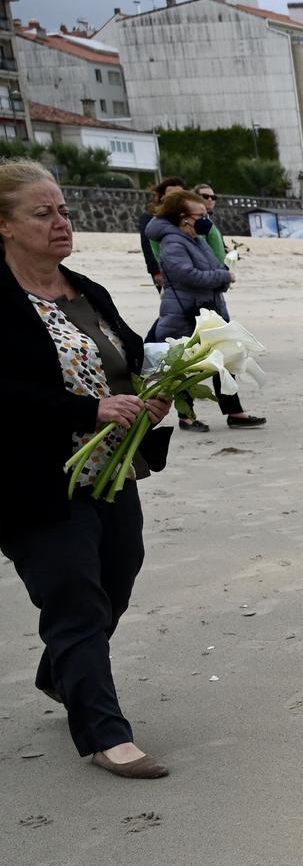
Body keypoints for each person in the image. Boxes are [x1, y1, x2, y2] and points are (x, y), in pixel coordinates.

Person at [1, 161, 175, 778]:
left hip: (109, 470)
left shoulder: (84, 290)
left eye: (64, 211)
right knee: (74, 594)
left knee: (117, 576)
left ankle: (60, 673)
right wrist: (87, 408)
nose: (60, 223)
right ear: (5, 226)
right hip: (32, 481)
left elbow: (129, 355)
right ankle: (105, 735)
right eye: (42, 213)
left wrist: (153, 393)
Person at [145, 187, 265, 429]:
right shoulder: (173, 242)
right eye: (200, 216)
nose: (205, 221)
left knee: (223, 358)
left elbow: (211, 267)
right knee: (182, 366)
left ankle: (234, 412)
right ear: (183, 217)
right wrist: (223, 277)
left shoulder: (194, 240)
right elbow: (187, 275)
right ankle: (186, 416)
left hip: (206, 309)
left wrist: (221, 275)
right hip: (184, 314)